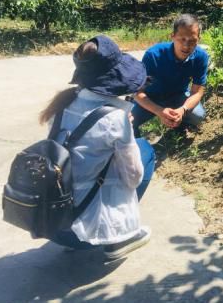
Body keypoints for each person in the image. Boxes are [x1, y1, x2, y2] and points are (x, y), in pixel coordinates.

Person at [39, 35, 156, 261]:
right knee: (146, 152)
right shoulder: (115, 119)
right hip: (84, 235)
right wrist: (126, 131)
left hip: (51, 223)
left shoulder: (62, 104)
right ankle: (117, 238)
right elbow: (133, 178)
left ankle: (84, 234)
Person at [132, 14, 209, 137]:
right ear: (172, 36)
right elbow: (137, 92)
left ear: (198, 39)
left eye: (192, 40)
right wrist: (159, 111)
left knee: (198, 115)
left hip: (178, 96)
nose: (186, 45)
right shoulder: (153, 55)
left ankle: (180, 126)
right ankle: (134, 142)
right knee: (128, 121)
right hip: (151, 97)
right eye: (182, 39)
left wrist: (182, 110)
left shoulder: (201, 57)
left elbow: (197, 92)